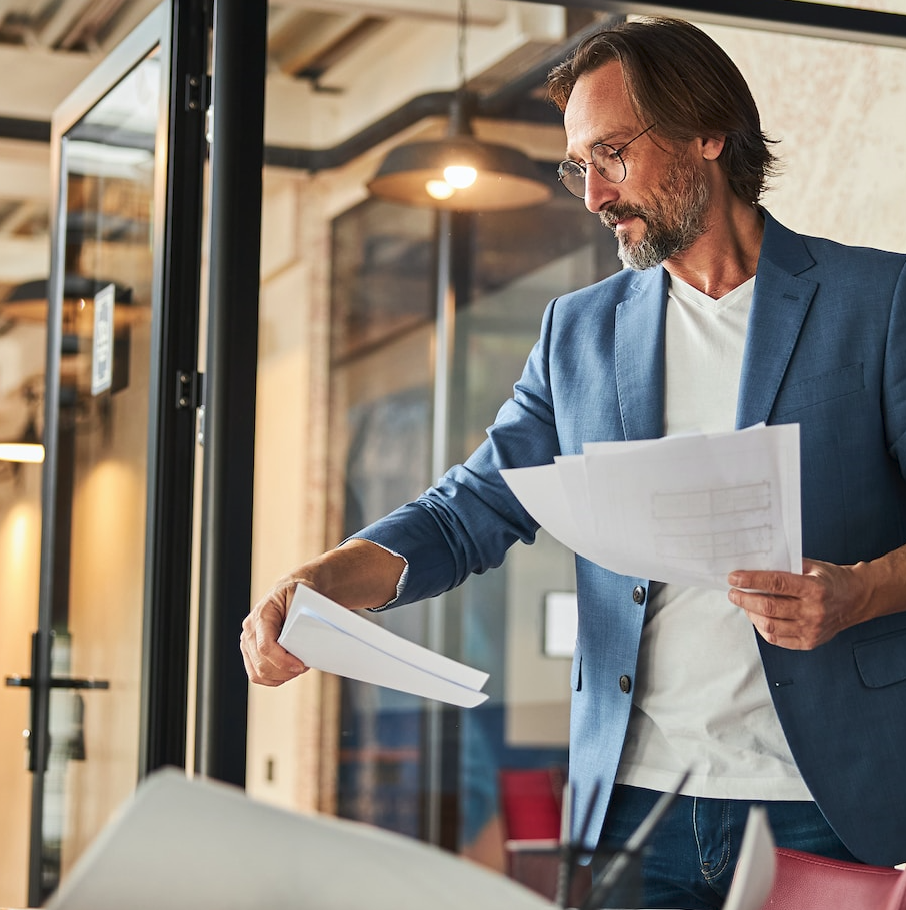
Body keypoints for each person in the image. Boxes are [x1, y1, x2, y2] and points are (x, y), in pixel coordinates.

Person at [240, 16, 906, 910]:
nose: (592, 194)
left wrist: (858, 592)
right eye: (575, 165)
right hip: (637, 805)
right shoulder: (578, 333)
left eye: (612, 154)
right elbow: (466, 511)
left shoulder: (878, 301)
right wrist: (322, 581)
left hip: (827, 801)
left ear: (707, 132)